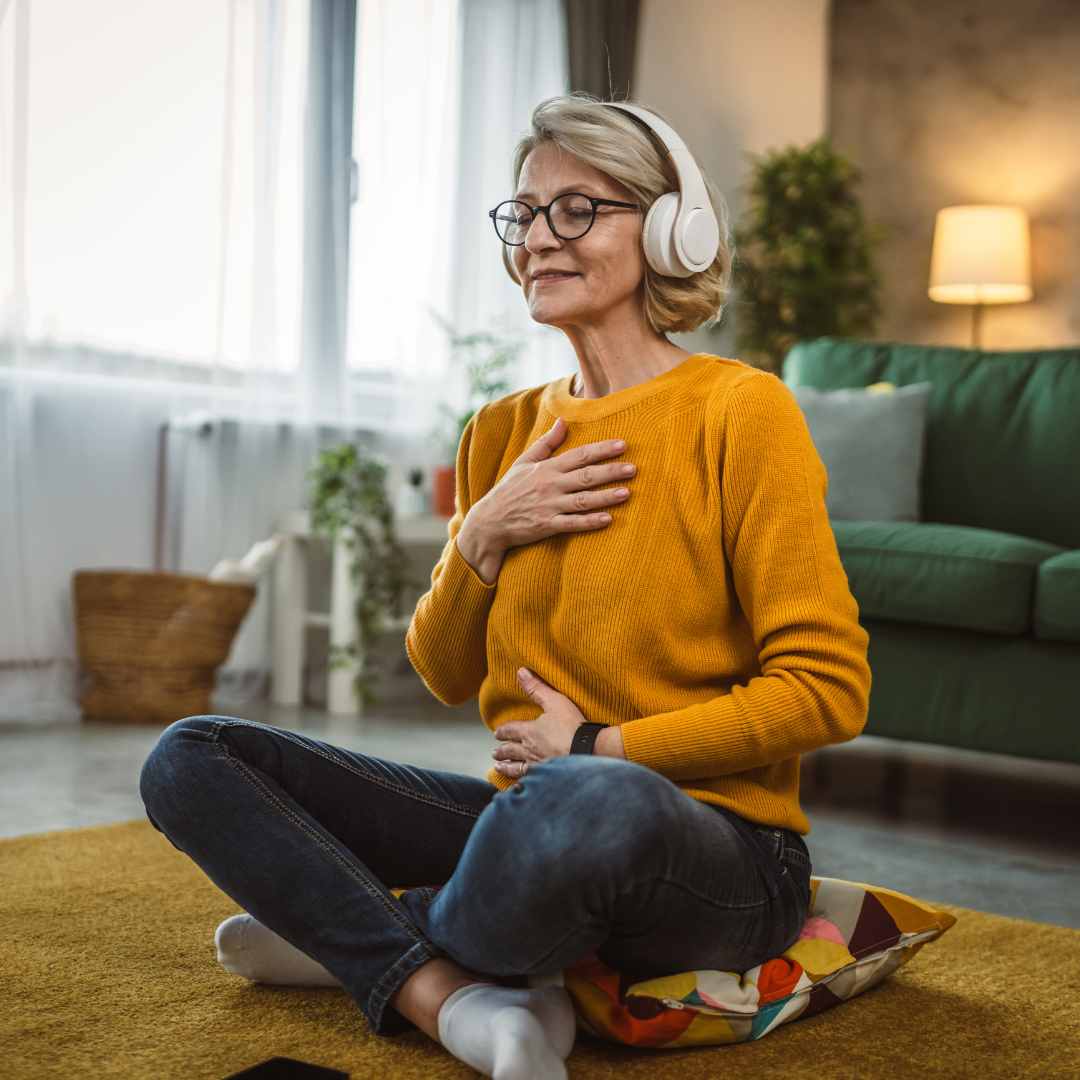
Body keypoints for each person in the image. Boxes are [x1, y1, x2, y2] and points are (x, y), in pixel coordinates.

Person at [138, 92, 872, 1080]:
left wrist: (599, 745)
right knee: (191, 755)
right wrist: (483, 532)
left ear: (668, 231)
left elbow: (829, 690)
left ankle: (360, 937)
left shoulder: (741, 411)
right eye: (525, 213)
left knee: (590, 797)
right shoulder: (498, 432)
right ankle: (448, 993)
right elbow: (441, 672)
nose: (538, 237)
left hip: (716, 851)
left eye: (578, 210)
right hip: (522, 824)